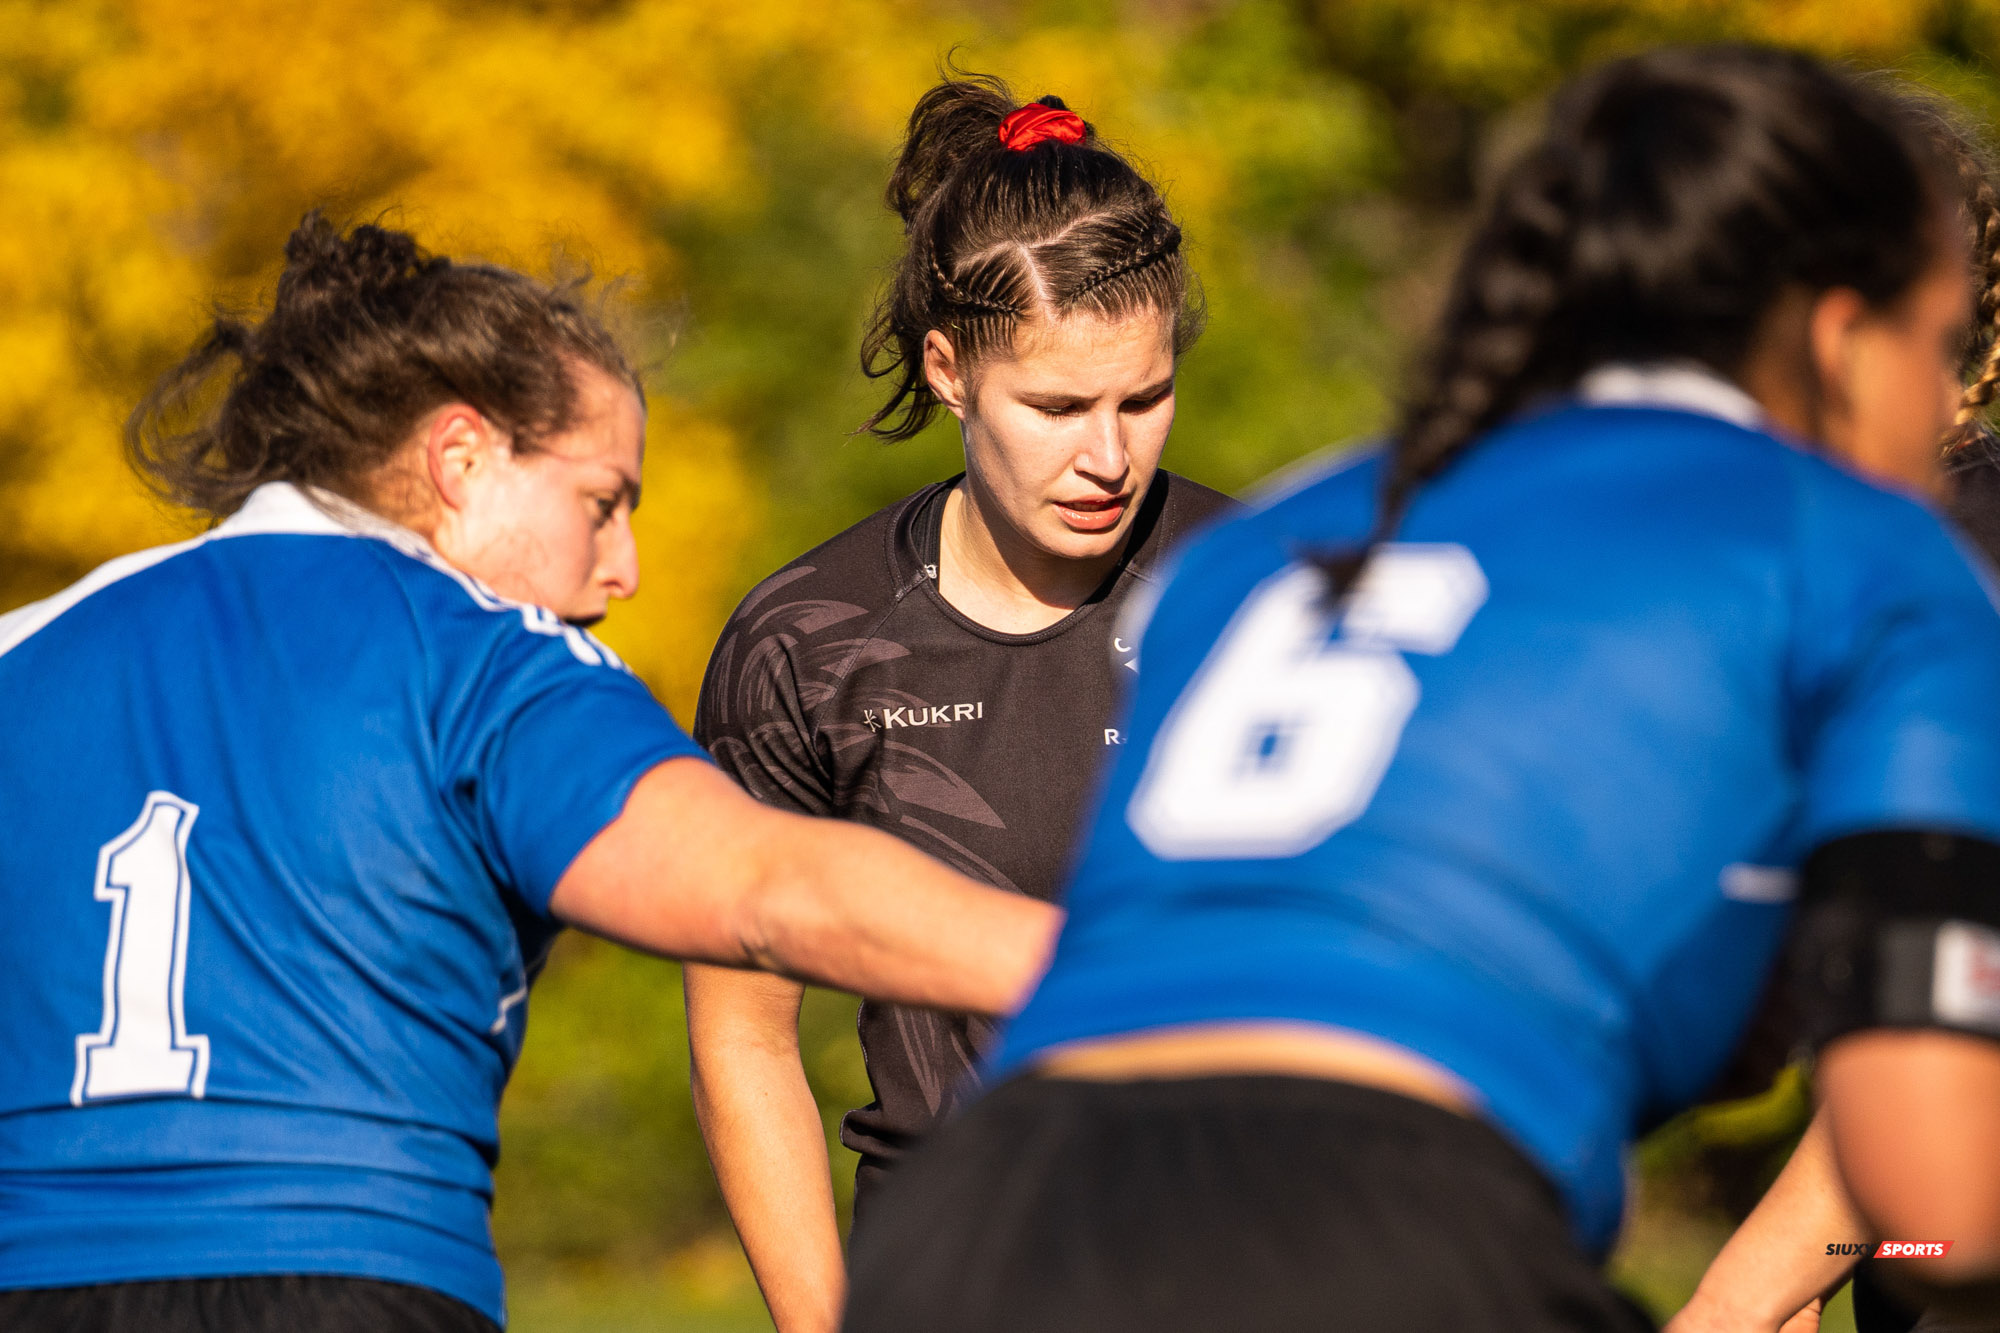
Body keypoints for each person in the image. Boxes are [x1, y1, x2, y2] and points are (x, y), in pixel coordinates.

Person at [841, 46, 2000, 1333]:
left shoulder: (1269, 538)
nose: (1953, 400)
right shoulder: (1871, 559)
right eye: (1944, 344)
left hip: (977, 1221)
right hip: (1380, 1221)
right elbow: (1929, 1192)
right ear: (1841, 335)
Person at [0, 214, 1057, 1333]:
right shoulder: (476, 653)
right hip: (353, 1278)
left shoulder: (27, 646)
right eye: (600, 504)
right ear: (459, 461)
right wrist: (1141, 966)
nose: (623, 572)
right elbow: (764, 892)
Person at [682, 74, 1232, 1333]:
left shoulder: (1254, 594)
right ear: (947, 370)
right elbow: (743, 1034)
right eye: (1055, 407)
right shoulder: (806, 642)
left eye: (1142, 398)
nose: (1107, 455)